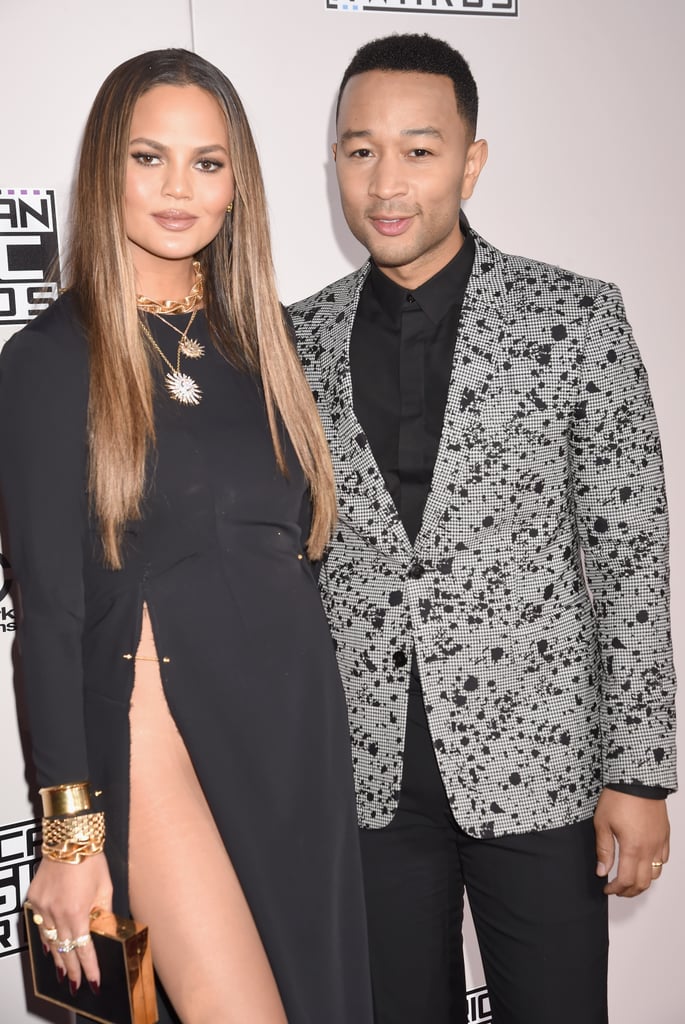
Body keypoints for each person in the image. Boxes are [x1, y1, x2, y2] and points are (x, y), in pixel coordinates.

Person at [289, 32, 677, 1024]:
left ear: (470, 160)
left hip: (543, 772)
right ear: (334, 160)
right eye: (358, 148)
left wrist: (637, 773)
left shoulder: (574, 317)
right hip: (364, 779)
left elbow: (627, 551)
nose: (384, 180)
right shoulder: (292, 339)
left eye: (417, 149)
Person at [0, 48, 374, 1024]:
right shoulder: (49, 361)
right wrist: (71, 834)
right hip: (154, 729)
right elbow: (45, 612)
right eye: (148, 157)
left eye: (208, 163)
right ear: (102, 171)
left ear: (237, 181)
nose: (179, 188)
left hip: (293, 733)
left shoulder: (271, 347)